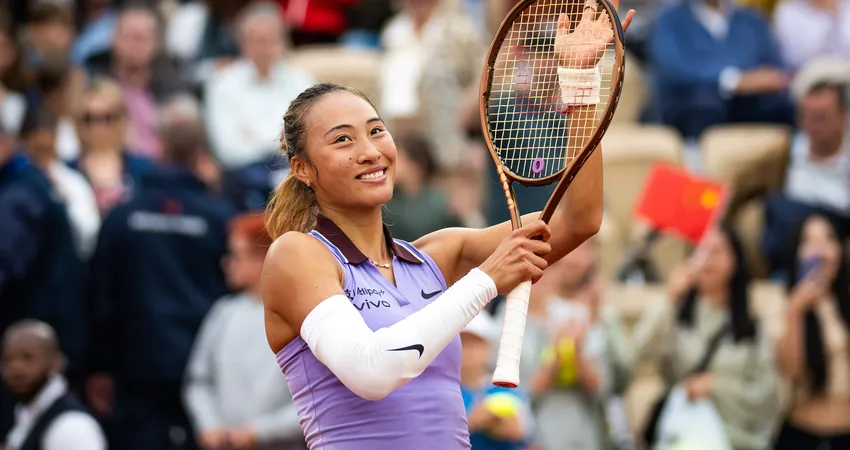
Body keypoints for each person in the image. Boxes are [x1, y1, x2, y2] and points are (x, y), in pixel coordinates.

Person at [261, 4, 635, 449]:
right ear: (302, 168)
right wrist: (486, 280)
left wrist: (579, 81)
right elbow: (371, 371)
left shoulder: (437, 254)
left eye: (376, 131)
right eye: (343, 139)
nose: (370, 151)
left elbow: (579, 219)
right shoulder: (296, 255)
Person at [87, 117, 235, 450]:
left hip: (136, 366)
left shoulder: (122, 216)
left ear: (160, 147)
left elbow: (100, 295)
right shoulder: (220, 218)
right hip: (201, 367)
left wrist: (97, 366)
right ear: (200, 153)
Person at [634, 226, 780, 450]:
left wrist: (718, 387)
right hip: (684, 437)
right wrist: (668, 299)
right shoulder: (677, 316)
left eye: (717, 251)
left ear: (735, 260)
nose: (707, 259)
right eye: (700, 250)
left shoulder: (751, 326)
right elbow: (637, 355)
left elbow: (769, 396)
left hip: (738, 440)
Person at [184, 213, 305, 450]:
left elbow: (317, 400)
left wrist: (258, 432)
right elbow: (198, 380)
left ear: (264, 259)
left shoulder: (301, 319)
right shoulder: (224, 312)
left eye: (236, 255)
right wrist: (210, 426)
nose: (226, 263)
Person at [773, 214, 850, 448]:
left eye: (829, 239)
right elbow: (790, 371)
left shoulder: (844, 302)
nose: (820, 250)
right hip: (802, 435)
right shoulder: (779, 301)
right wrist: (795, 311)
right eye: (809, 241)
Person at [2, 320, 106, 450]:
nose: (16, 368)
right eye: (8, 359)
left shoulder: (72, 425)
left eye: (27, 357)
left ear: (56, 362)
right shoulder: (25, 413)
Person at [459, 312, 532, 450]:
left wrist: (513, 430)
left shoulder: (508, 386)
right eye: (463, 343)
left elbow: (527, 435)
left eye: (475, 344)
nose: (469, 352)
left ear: (488, 348)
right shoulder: (443, 392)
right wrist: (470, 423)